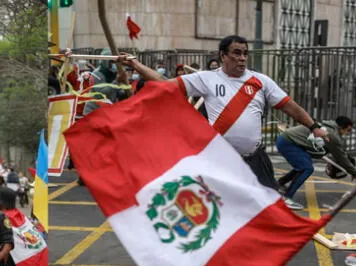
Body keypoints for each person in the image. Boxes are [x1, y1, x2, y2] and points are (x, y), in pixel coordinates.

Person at [121, 35, 329, 199]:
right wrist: (137, 65)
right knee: (219, 213)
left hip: (255, 160)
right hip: (220, 162)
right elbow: (165, 85)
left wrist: (314, 126)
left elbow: (290, 107)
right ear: (223, 56)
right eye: (237, 53)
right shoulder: (206, 79)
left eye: (245, 54)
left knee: (267, 209)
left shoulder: (261, 81)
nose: (242, 58)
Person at [276, 116, 356, 209]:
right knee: (306, 168)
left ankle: (279, 184)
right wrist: (354, 173)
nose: (348, 133)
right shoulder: (332, 135)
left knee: (303, 165)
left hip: (289, 141)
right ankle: (286, 198)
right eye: (348, 130)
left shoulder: (327, 127)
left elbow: (325, 150)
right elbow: (341, 157)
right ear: (341, 127)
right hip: (288, 142)